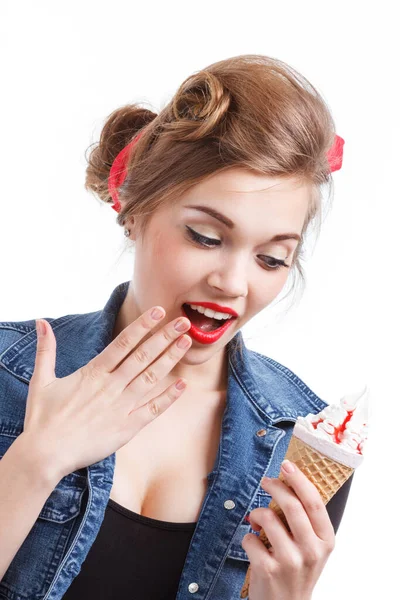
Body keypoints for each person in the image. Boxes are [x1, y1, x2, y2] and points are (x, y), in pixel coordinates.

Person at [0, 54, 353, 600]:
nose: (233, 282)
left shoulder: (304, 443)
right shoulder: (6, 374)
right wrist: (34, 463)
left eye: (272, 258)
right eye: (206, 237)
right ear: (135, 211)